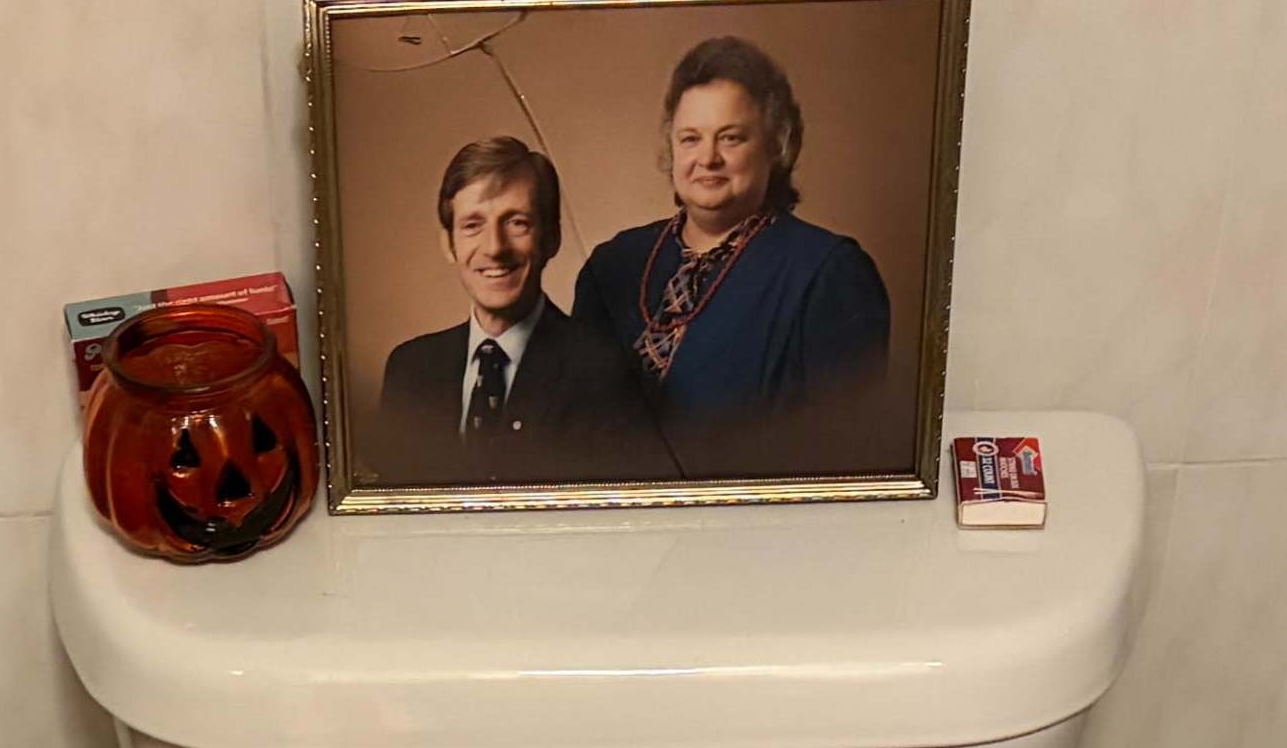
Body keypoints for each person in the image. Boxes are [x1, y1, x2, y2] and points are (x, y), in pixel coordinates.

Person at [572, 35, 895, 472]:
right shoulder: (612, 264)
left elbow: (843, 456)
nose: (708, 158)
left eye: (731, 138)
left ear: (776, 145)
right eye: (690, 138)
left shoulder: (829, 273)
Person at [371, 136, 665, 486]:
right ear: (449, 244)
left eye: (517, 223)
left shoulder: (604, 372)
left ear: (551, 239)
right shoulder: (409, 370)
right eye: (472, 225)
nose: (495, 248)